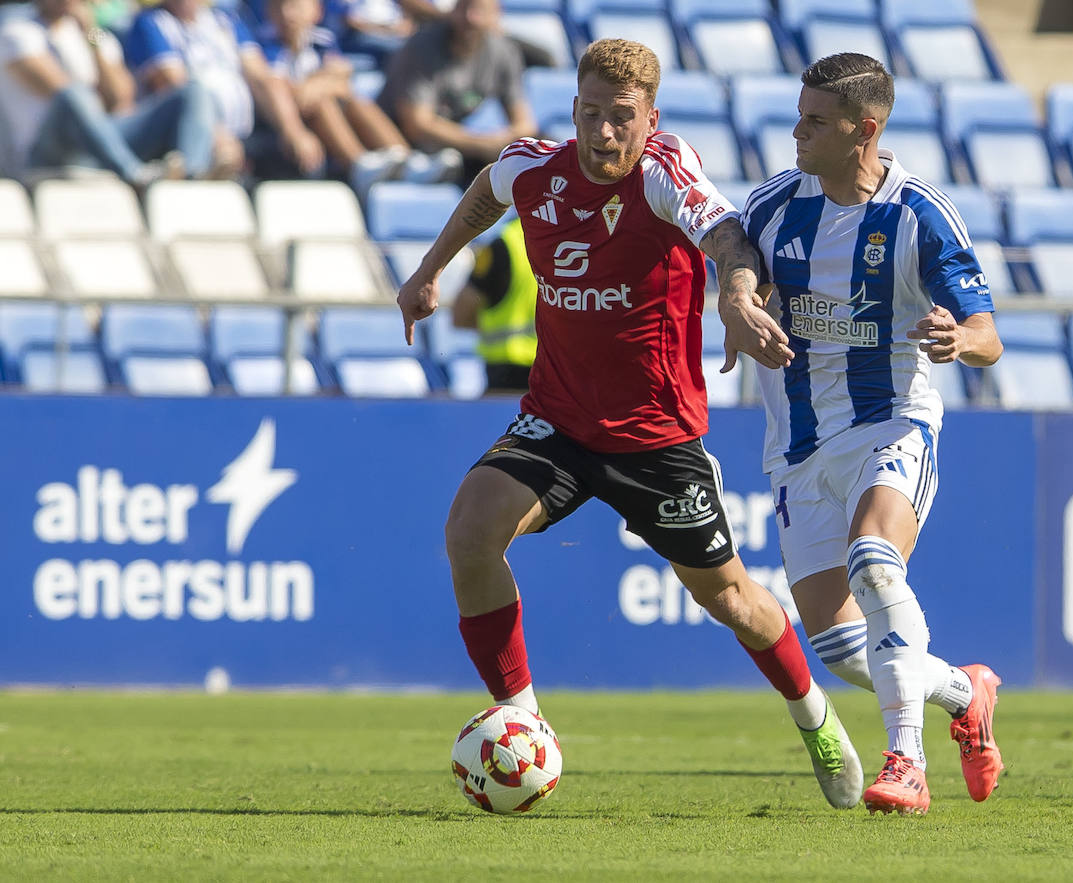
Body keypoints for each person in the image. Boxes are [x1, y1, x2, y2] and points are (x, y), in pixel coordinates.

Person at [395, 38, 864, 809]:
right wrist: (429, 269)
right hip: (558, 421)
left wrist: (737, 296)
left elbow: (728, 238)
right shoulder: (534, 170)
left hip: (657, 439)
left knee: (733, 600)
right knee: (469, 529)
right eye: (589, 114)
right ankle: (520, 714)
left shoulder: (662, 173)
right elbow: (488, 186)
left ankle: (814, 715)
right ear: (572, 110)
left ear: (650, 118)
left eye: (621, 118)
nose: (603, 134)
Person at [732, 53, 1005, 816]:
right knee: (845, 648)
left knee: (875, 561)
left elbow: (989, 332)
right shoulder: (772, 206)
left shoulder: (918, 213)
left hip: (893, 421)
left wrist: (960, 339)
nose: (797, 132)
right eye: (799, 114)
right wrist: (738, 307)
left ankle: (907, 762)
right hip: (798, 447)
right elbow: (734, 266)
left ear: (866, 131)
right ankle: (967, 692)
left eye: (815, 121)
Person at [0, 0, 216, 185]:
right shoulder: (17, 31)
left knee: (193, 91)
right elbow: (59, 89)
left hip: (101, 145)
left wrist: (90, 36)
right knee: (73, 93)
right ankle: (135, 175)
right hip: (45, 152)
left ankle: (191, 174)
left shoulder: (96, 36)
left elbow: (119, 98)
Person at [257, 0, 458, 192]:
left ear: (315, 10)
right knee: (323, 103)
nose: (288, 13)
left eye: (296, 5)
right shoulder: (265, 44)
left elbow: (342, 76)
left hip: (325, 106)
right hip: (287, 121)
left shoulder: (322, 39)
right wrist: (323, 82)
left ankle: (409, 161)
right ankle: (358, 166)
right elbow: (285, 92)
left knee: (354, 101)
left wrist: (318, 84)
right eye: (279, 5)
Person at [123, 0, 325, 179]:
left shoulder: (226, 19)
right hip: (191, 138)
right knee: (198, 101)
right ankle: (195, 176)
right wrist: (217, 135)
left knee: (304, 155)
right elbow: (172, 84)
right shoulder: (150, 22)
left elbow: (261, 79)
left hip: (243, 135)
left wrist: (293, 131)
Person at [376, 0, 535, 185]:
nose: (470, 18)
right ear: (453, 10)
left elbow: (524, 124)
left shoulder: (505, 51)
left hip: (454, 147)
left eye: (479, 10)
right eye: (464, 8)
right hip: (401, 147)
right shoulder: (422, 46)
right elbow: (416, 125)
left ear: (496, 15)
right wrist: (481, 144)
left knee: (540, 151)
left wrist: (503, 142)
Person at [449, 216, 536, 395]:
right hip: (562, 372)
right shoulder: (584, 241)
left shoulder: (505, 244)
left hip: (507, 375)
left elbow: (461, 315)